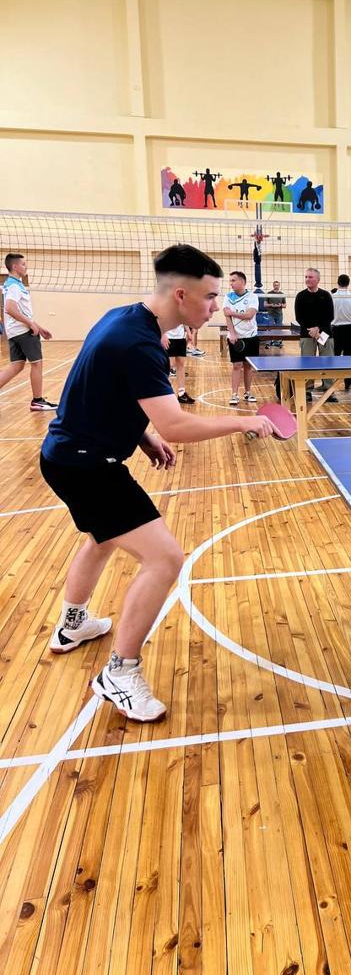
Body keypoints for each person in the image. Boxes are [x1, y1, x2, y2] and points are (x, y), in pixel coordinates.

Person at [39, 244, 273, 722]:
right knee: (165, 557)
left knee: (101, 538)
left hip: (70, 453)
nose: (216, 307)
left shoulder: (125, 318)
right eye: (210, 298)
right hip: (86, 465)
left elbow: (99, 389)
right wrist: (242, 422)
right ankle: (119, 673)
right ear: (182, 295)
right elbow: (179, 427)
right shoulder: (139, 343)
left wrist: (141, 434)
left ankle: (72, 624)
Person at [0, 253, 58, 411]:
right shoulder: (13, 285)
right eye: (24, 264)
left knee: (16, 366)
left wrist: (38, 326)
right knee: (37, 363)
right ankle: (38, 400)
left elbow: (20, 311)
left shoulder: (13, 284)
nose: (26, 267)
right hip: (22, 331)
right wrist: (30, 323)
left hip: (15, 331)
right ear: (15, 266)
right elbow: (10, 309)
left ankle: (37, 400)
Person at [294, 268, 335, 403]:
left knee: (327, 361)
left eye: (310, 277)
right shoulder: (300, 296)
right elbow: (299, 317)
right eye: (306, 277)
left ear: (317, 280)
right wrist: (311, 330)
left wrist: (318, 329)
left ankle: (329, 390)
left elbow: (330, 316)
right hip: (307, 334)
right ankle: (306, 391)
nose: (307, 279)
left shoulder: (326, 295)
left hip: (324, 334)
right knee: (307, 363)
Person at [222, 271, 259, 405]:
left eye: (233, 280)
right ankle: (234, 394)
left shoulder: (253, 297)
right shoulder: (228, 297)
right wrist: (232, 333)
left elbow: (249, 315)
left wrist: (232, 312)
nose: (231, 283)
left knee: (248, 366)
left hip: (251, 336)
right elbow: (227, 318)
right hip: (235, 337)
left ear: (242, 282)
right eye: (230, 280)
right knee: (236, 365)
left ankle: (248, 392)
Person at [332, 273, 351, 391]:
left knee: (334, 357)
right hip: (350, 331)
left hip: (335, 331)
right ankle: (348, 383)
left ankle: (333, 381)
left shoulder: (332, 297)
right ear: (348, 284)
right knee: (350, 358)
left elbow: (328, 315)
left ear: (338, 283)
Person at [162, 324, 195, 404]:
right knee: (169, 365)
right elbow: (159, 319)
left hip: (180, 337)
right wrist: (162, 335)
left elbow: (183, 318)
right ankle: (164, 393)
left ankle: (181, 394)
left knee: (181, 364)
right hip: (168, 337)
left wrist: (189, 333)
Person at [265, 279, 286, 348]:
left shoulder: (282, 294)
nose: (276, 286)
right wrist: (272, 305)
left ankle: (277, 343)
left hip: (279, 314)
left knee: (279, 328)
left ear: (279, 286)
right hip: (270, 314)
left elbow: (285, 305)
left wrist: (280, 305)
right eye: (275, 285)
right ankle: (268, 342)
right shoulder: (269, 293)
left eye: (277, 285)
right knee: (269, 328)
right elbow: (265, 305)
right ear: (273, 285)